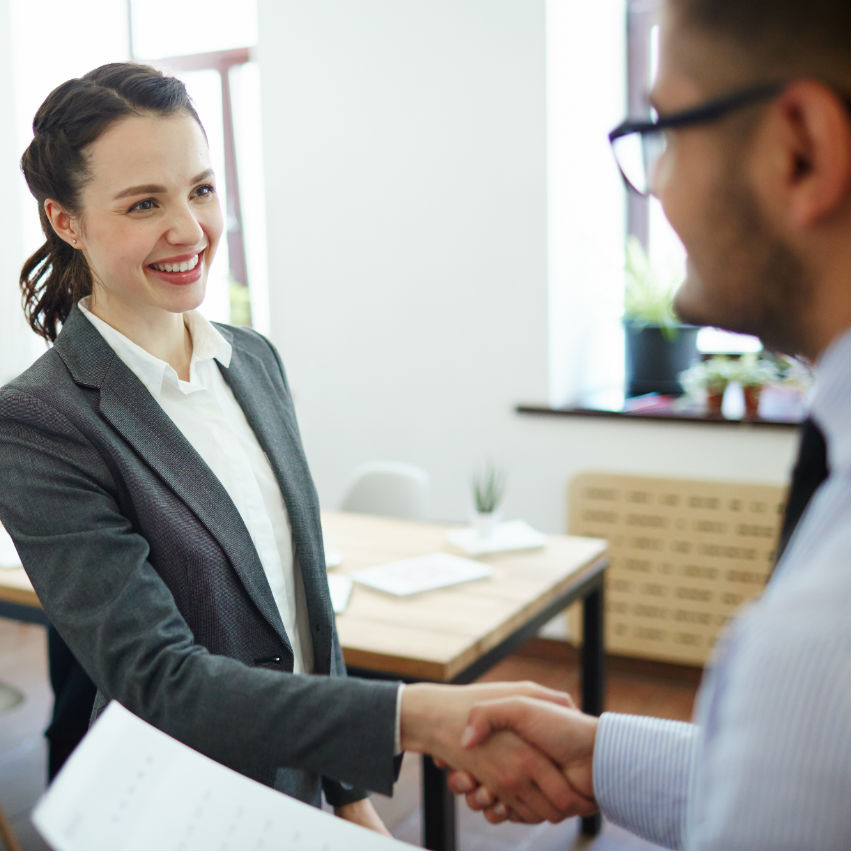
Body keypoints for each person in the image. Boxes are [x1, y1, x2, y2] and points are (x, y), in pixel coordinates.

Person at [0, 62, 580, 833]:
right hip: (181, 810)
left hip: (297, 797)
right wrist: (417, 715)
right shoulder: (39, 421)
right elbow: (161, 678)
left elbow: (303, 608)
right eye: (145, 203)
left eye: (201, 190)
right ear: (65, 221)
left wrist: (345, 791)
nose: (189, 229)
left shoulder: (252, 360)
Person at [446, 1, 851, 848]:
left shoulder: (817, 637)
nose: (654, 182)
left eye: (665, 129)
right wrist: (599, 754)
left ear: (801, 151)